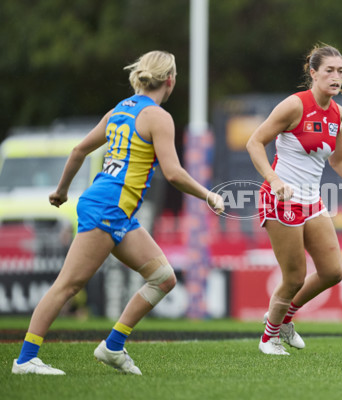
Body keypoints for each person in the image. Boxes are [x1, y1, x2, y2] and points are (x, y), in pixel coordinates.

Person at [11, 50, 224, 375]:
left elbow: (79, 149)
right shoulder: (158, 117)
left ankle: (113, 347)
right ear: (170, 80)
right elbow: (174, 173)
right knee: (68, 285)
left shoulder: (119, 110)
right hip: (108, 208)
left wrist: (62, 191)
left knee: (163, 278)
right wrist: (208, 195)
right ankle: (25, 360)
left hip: (114, 209)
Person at [246, 44, 342, 355]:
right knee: (295, 277)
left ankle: (283, 318)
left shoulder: (339, 113)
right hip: (281, 199)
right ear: (312, 73)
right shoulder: (294, 106)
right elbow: (254, 142)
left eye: (341, 71)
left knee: (333, 272)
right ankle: (268, 338)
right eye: (329, 70)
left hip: (312, 200)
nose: (336, 76)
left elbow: (339, 162)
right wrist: (274, 181)